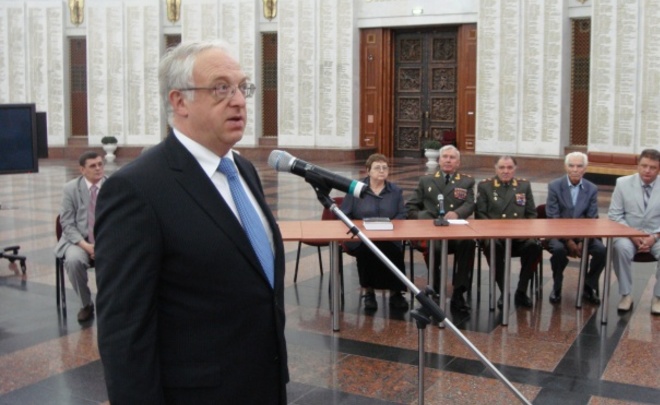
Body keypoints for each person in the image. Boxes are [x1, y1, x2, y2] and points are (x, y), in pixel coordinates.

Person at [94, 40, 288, 404]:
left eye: (242, 87)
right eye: (220, 88)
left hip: (264, 385)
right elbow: (124, 330)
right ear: (179, 101)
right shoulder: (137, 189)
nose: (238, 101)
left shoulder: (243, 170)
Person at [405, 145, 476, 312]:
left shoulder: (466, 181)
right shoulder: (426, 180)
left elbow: (470, 204)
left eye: (452, 158)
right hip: (433, 231)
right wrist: (426, 217)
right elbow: (411, 207)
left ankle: (459, 291)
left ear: (458, 163)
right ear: (439, 160)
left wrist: (458, 213)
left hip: (455, 231)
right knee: (433, 246)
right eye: (445, 157)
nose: (448, 160)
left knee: (468, 243)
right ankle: (434, 286)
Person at [340, 153, 409, 311]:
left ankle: (396, 293)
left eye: (385, 168)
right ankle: (369, 293)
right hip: (361, 236)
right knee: (366, 250)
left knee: (394, 251)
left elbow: (402, 214)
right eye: (377, 168)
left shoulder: (395, 191)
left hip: (389, 235)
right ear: (368, 171)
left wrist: (391, 226)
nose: (382, 171)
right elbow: (344, 214)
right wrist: (358, 228)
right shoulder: (355, 190)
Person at [476, 155, 541, 308]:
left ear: (515, 169)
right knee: (493, 247)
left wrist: (525, 231)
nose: (506, 171)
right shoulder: (485, 186)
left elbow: (531, 214)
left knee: (534, 246)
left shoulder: (523, 186)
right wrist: (495, 232)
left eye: (510, 167)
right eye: (502, 167)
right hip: (495, 236)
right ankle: (504, 291)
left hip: (519, 236)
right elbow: (480, 214)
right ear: (496, 169)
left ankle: (521, 290)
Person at [545, 152, 605, 305]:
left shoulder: (591, 188)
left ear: (585, 168)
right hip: (559, 235)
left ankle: (588, 286)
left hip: (584, 235)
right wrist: (569, 241)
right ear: (566, 167)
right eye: (571, 166)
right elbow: (553, 218)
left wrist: (583, 241)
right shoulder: (554, 186)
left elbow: (592, 219)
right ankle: (557, 286)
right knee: (558, 251)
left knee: (602, 251)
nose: (575, 169)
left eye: (579, 166)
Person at [54, 151, 106, 323]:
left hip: (106, 241)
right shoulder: (70, 189)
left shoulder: (113, 186)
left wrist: (102, 245)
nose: (98, 168)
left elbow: (119, 221)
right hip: (78, 241)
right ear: (82, 169)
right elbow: (67, 223)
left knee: (121, 258)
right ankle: (86, 304)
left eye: (100, 164)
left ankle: (111, 304)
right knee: (73, 260)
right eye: (93, 166)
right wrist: (86, 246)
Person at [608, 148, 660, 315]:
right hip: (628, 233)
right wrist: (632, 234)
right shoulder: (622, 183)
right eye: (644, 166)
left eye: (653, 167)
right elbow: (614, 215)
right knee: (620, 247)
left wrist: (654, 237)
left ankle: (658, 297)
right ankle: (626, 294)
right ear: (638, 165)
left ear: (659, 169)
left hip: (656, 235)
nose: (647, 170)